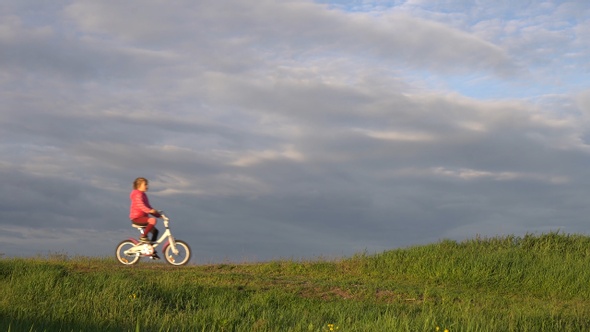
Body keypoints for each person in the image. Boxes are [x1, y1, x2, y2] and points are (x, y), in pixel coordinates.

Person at [129, 177, 161, 259]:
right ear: (139, 186)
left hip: (143, 218)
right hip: (137, 218)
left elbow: (148, 206)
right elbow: (141, 206)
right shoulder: (137, 194)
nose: (147, 186)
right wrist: (150, 211)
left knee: (155, 232)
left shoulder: (144, 195)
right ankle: (143, 237)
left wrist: (158, 215)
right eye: (145, 184)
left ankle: (152, 250)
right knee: (152, 220)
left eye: (147, 184)